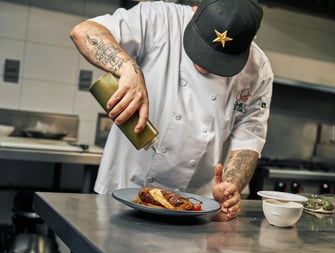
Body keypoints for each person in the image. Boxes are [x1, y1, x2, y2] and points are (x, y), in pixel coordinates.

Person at [70, 0, 273, 221]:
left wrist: (230, 186)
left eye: (220, 61)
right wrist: (127, 68)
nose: (203, 65)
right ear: (194, 13)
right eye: (199, 46)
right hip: (122, 192)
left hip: (195, 207)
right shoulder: (159, 17)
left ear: (251, 40)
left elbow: (248, 139)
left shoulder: (258, 70)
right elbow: (84, 31)